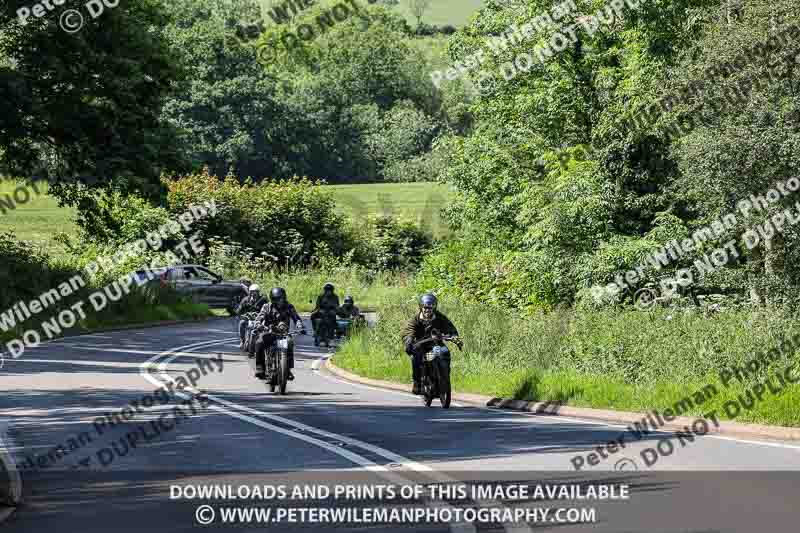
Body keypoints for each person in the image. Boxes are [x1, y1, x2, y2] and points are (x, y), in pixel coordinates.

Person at [401, 293, 462, 395]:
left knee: (445, 353)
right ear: (421, 307)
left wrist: (454, 337)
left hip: (436, 344)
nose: (427, 310)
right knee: (416, 357)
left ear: (434, 307)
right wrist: (409, 340)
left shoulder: (440, 317)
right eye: (425, 308)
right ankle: (418, 384)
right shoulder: (415, 319)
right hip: (421, 345)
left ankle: (443, 381)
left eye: (430, 308)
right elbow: (408, 331)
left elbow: (450, 328)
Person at [253, 287, 305, 381]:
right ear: (272, 299)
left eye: (281, 298)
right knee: (259, 342)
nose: (280, 301)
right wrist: (258, 324)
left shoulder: (289, 306)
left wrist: (299, 325)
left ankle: (287, 369)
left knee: (289, 343)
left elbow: (296, 318)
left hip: (284, 334)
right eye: (277, 299)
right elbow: (259, 317)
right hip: (269, 332)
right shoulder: (266, 307)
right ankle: (260, 368)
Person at [236, 284, 267, 349]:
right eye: (251, 292)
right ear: (249, 292)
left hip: (259, 318)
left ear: (258, 292)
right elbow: (239, 310)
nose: (253, 293)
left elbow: (268, 309)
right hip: (248, 318)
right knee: (242, 322)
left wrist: (262, 316)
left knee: (266, 325)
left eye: (255, 292)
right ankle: (242, 340)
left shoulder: (263, 300)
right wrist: (242, 315)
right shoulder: (245, 300)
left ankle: (264, 341)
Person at [311, 282, 340, 347]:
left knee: (332, 318)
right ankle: (315, 331)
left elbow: (337, 307)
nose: (328, 292)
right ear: (325, 290)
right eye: (327, 290)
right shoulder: (320, 296)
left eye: (330, 290)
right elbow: (317, 307)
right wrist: (319, 311)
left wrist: (335, 310)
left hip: (331, 312)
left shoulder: (335, 297)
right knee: (313, 316)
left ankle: (331, 338)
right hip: (322, 312)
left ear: (332, 290)